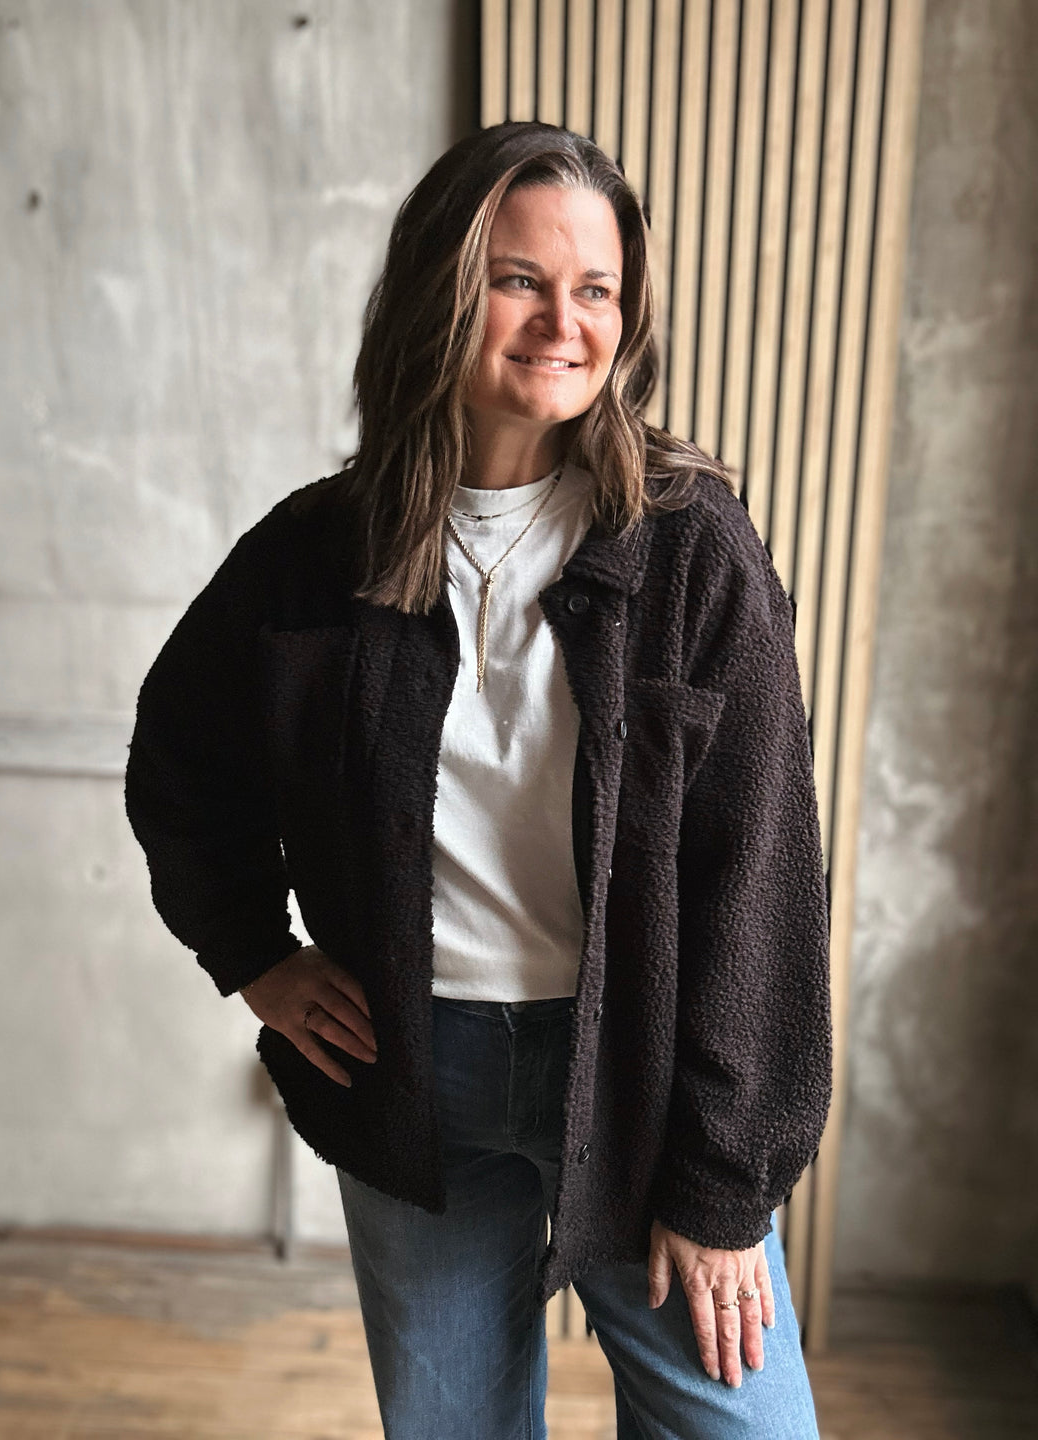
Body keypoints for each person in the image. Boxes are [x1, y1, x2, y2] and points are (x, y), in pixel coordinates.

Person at [126, 120, 832, 1439]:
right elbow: (181, 759)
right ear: (441, 289)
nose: (564, 322)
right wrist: (253, 954)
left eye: (598, 288)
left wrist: (728, 1181)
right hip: (413, 1074)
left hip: (633, 1074)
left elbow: (763, 882)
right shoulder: (316, 551)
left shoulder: (690, 552)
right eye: (519, 278)